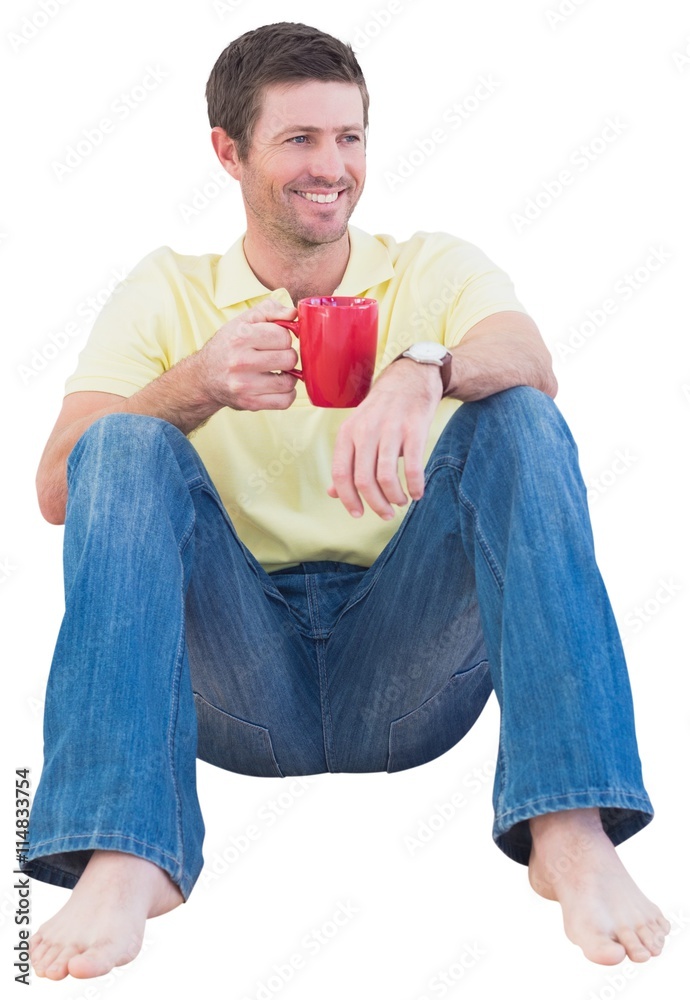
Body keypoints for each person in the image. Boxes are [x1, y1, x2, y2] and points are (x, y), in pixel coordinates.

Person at [24, 21, 670, 981]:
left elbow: (532, 359)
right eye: (298, 140)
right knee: (120, 439)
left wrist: (425, 368)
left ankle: (569, 826)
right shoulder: (166, 290)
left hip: (405, 665)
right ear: (229, 153)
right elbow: (56, 487)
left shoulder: (430, 267)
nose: (332, 166)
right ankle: (124, 850)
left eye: (349, 137)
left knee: (520, 420)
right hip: (234, 680)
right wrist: (195, 384)